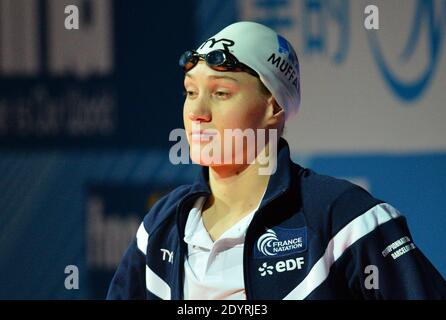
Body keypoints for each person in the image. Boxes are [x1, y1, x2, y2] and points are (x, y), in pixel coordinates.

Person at [106, 21, 446, 300]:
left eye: (221, 93)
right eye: (191, 92)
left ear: (274, 108)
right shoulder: (161, 228)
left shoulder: (344, 220)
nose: (197, 113)